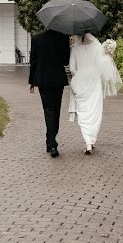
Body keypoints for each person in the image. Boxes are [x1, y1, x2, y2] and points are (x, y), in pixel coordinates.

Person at [67, 33, 122, 154]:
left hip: (80, 83)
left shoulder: (75, 48)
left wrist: (80, 76)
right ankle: (89, 142)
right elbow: (101, 67)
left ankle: (87, 141)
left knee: (83, 112)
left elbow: (72, 69)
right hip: (93, 82)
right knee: (94, 111)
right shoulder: (97, 46)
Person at [28, 27, 70, 157]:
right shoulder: (63, 37)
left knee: (48, 110)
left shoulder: (36, 38)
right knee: (56, 110)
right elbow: (66, 61)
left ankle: (51, 142)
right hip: (57, 80)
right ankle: (52, 142)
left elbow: (33, 61)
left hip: (43, 80)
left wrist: (31, 81)